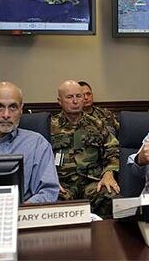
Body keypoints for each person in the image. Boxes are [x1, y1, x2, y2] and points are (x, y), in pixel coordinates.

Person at [0, 82, 59, 203]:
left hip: (23, 216)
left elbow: (48, 192)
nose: (6, 115)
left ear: (20, 110)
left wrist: (16, 212)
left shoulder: (37, 144)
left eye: (13, 107)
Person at [51, 80, 120, 218]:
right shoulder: (50, 126)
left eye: (79, 96)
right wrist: (49, 180)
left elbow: (112, 149)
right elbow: (40, 157)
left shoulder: (98, 124)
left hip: (93, 182)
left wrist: (109, 173)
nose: (75, 101)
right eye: (70, 97)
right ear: (60, 101)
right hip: (63, 184)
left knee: (111, 197)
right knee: (50, 200)